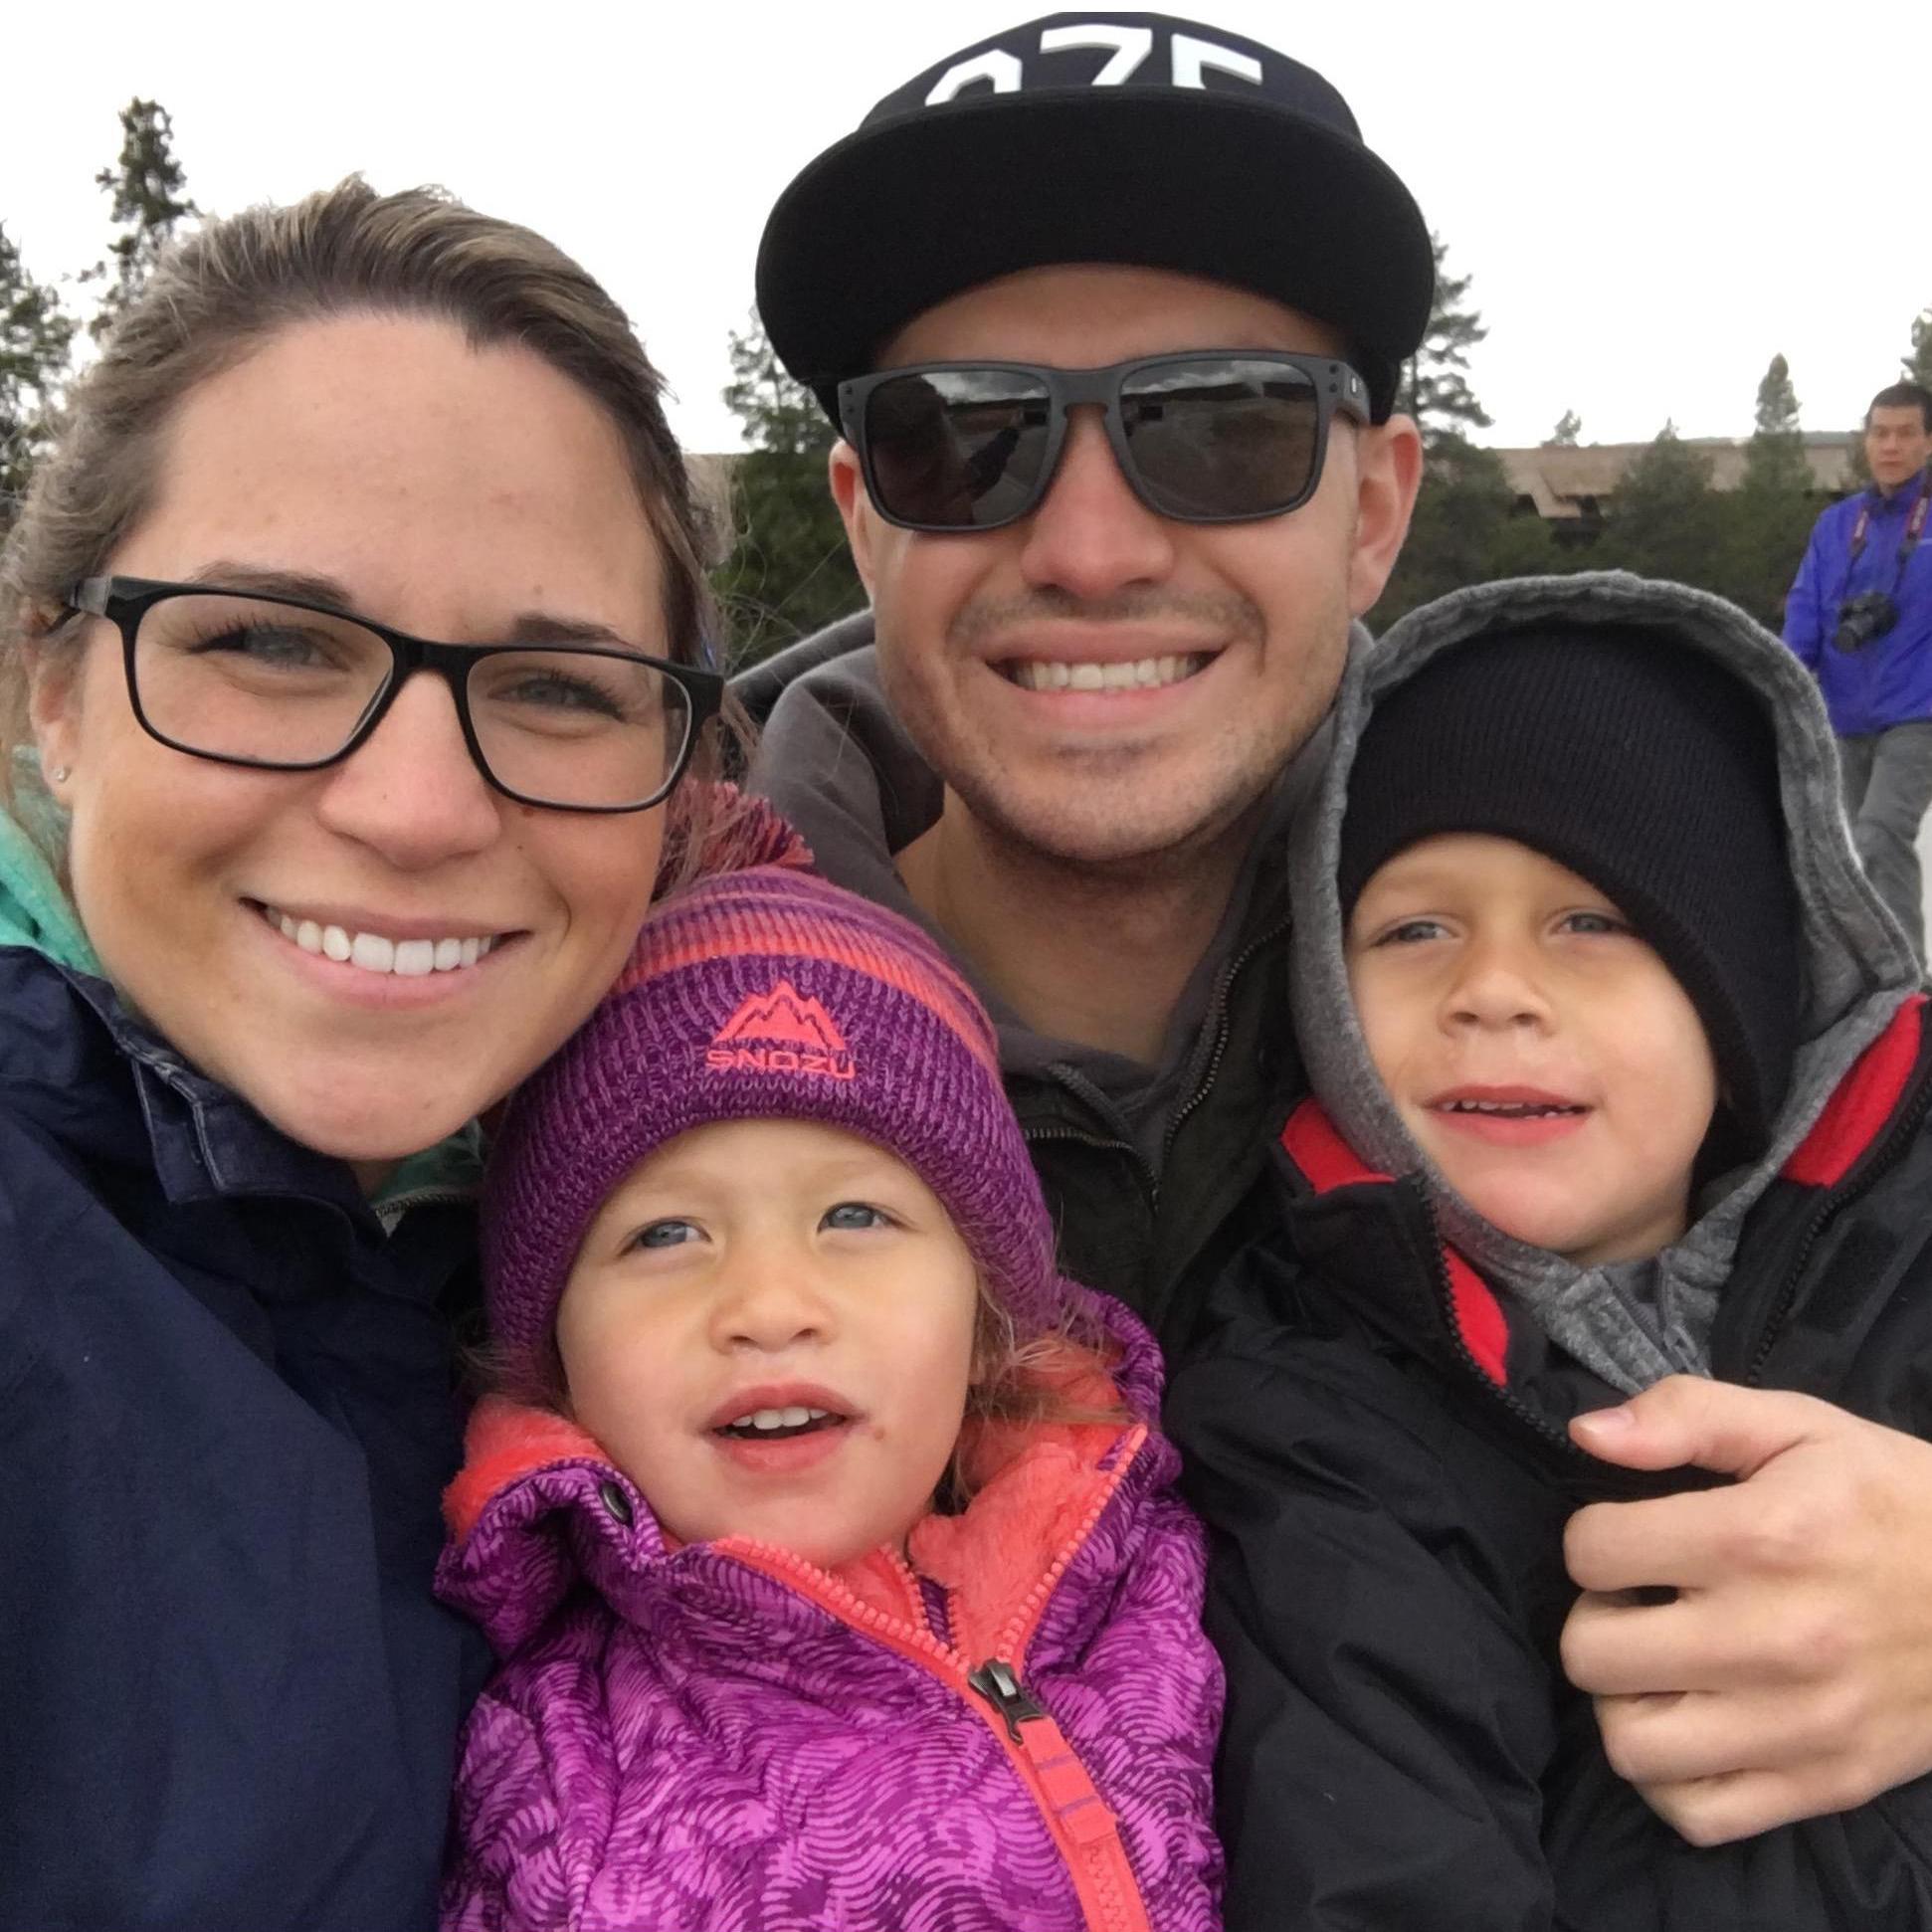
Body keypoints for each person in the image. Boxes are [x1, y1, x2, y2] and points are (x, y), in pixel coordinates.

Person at [742, 11, 1932, 1851]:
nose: (1085, 543)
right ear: (858, 516)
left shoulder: (1705, 1018)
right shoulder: (615, 1008)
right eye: (959, 443)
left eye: (1217, 429)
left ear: (1374, 503)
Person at [0, 179, 739, 1931]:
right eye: (266, 643)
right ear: (54, 691)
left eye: (557, 686)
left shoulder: (688, 1251)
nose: (415, 809)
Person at [1170, 570, 1932, 1927]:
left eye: (1593, 921)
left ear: (1740, 992)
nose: (1496, 990)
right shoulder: (1313, 1417)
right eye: (1413, 928)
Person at [437, 862, 1224, 1931]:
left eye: (854, 1217)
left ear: (986, 1313)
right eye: (665, 1234)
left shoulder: (1156, 1563)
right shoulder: (559, 1768)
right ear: (558, 1363)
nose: (768, 1304)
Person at [1784, 380, 1932, 957]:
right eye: (1879, 433)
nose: (1890, 446)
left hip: (1918, 712)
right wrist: (1781, 682)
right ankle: (1874, 971)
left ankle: (1907, 983)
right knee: (1856, 851)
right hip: (1845, 716)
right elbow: (1805, 611)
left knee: (1880, 832)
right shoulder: (1838, 526)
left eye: (1904, 434)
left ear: (1927, 442)